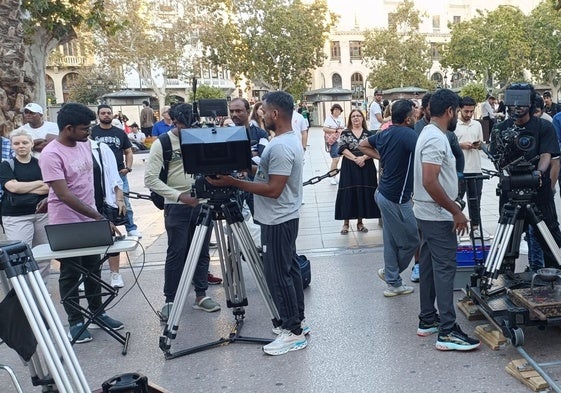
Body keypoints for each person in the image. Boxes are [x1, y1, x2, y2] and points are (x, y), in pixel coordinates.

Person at [206, 91, 308, 356]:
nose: (260, 114)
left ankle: (293, 332)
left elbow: (274, 189)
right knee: (290, 270)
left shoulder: (282, 146)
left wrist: (232, 182)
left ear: (275, 114)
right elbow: (267, 173)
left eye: (263, 110)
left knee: (278, 275)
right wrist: (243, 170)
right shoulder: (284, 141)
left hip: (278, 219)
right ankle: (298, 322)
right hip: (282, 217)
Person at [39, 103, 124, 343]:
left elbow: (78, 182)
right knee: (70, 273)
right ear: (68, 128)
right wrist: (99, 218)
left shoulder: (84, 144)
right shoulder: (51, 154)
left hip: (90, 215)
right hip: (66, 223)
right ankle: (75, 321)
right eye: (85, 128)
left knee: (93, 268)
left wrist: (97, 212)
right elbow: (64, 195)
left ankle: (97, 313)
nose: (89, 132)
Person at [413, 88, 480, 351]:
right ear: (450, 111)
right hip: (437, 215)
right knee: (444, 269)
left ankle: (428, 318)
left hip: (428, 213)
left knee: (429, 266)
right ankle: (448, 331)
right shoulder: (435, 139)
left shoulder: (432, 134)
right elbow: (430, 180)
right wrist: (455, 210)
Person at [144, 103, 221, 321]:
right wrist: (179, 196)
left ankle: (201, 295)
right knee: (177, 252)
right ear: (174, 122)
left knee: (202, 251)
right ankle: (171, 299)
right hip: (176, 206)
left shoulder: (200, 136)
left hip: (203, 203)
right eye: (183, 125)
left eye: (192, 125)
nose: (188, 129)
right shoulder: (163, 143)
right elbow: (150, 179)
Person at [492, 83, 561, 270]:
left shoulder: (544, 126)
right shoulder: (500, 129)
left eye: (522, 101)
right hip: (511, 192)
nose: (517, 106)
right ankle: (504, 278)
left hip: (539, 191)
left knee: (551, 239)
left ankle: (554, 277)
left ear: (531, 103)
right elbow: (497, 160)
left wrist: (538, 173)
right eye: (512, 101)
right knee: (506, 244)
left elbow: (547, 154)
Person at [359, 99, 419, 297]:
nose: (417, 113)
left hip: (385, 194)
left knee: (391, 240)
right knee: (411, 240)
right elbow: (423, 154)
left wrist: (380, 157)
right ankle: (390, 274)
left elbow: (363, 144)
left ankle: (393, 283)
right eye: (414, 111)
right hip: (396, 198)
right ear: (408, 118)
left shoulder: (385, 132)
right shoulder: (409, 135)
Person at [0, 129, 49, 277]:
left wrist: (23, 188)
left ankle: (42, 291)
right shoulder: (6, 165)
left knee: (43, 256)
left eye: (25, 142)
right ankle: (24, 294)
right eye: (16, 143)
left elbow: (49, 187)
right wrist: (39, 183)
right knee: (20, 256)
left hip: (41, 215)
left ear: (31, 144)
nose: (21, 146)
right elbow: (12, 187)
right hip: (16, 217)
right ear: (12, 146)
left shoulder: (41, 163)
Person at [91, 105, 141, 238]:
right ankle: (106, 228)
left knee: (125, 201)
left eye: (108, 113)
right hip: (101, 175)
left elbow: (128, 151)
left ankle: (131, 227)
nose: (106, 115)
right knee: (103, 202)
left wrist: (128, 168)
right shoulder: (93, 132)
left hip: (119, 172)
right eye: (103, 113)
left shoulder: (119, 133)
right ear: (98, 115)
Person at [335, 109, 380, 235]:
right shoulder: (345, 133)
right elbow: (342, 148)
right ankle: (346, 223)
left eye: (358, 116)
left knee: (362, 193)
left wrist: (363, 158)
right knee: (349, 193)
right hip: (349, 165)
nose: (355, 118)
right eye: (353, 116)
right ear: (350, 119)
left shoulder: (369, 133)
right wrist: (355, 158)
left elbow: (374, 149)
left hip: (366, 165)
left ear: (362, 118)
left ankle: (360, 222)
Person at [91, 138, 126, 288]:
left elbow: (114, 176)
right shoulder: (67, 150)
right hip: (81, 204)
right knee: (85, 242)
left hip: (102, 201)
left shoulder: (100, 148)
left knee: (109, 239)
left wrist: (119, 198)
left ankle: (115, 274)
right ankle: (86, 274)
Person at [455, 96, 486, 239]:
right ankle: (455, 227)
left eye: (471, 112)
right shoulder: (453, 125)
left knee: (476, 201)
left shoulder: (477, 125)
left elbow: (482, 143)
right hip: (460, 170)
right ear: (460, 109)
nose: (468, 115)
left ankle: (476, 227)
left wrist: (478, 145)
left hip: (476, 168)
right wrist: (461, 145)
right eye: (466, 111)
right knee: (457, 201)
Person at [322, 104, 345, 185]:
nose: (337, 111)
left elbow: (343, 129)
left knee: (338, 159)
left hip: (340, 141)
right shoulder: (329, 119)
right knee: (336, 159)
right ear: (332, 110)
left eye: (338, 110)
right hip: (333, 141)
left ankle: (334, 176)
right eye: (335, 109)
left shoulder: (341, 119)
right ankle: (332, 176)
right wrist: (335, 131)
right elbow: (324, 129)